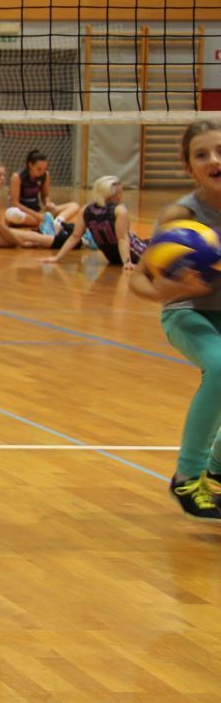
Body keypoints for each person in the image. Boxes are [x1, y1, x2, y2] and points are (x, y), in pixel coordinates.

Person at [127, 120, 221, 519]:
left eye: (219, 151)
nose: (213, 160)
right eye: (202, 154)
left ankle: (216, 474)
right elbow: (138, 279)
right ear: (188, 167)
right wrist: (164, 290)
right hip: (188, 313)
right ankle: (187, 476)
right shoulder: (182, 214)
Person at [46, 176, 145, 268]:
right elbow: (122, 238)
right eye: (119, 193)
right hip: (135, 253)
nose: (121, 196)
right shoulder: (119, 210)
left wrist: (57, 257)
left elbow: (75, 237)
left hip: (112, 257)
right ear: (110, 195)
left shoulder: (86, 209)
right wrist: (127, 262)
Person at [6, 148, 82, 232]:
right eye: (39, 169)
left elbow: (45, 195)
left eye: (44, 169)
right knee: (13, 214)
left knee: (74, 205)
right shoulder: (17, 177)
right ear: (30, 165)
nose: (42, 172)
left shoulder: (45, 175)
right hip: (22, 211)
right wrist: (36, 215)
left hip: (37, 211)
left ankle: (58, 222)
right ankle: (44, 222)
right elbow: (15, 203)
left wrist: (48, 203)